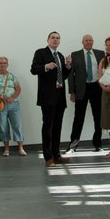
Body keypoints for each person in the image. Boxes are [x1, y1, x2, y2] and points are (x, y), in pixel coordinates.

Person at [31, 31, 72, 167]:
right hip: (47, 97)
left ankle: (56, 155)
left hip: (60, 96)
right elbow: (33, 69)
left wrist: (68, 66)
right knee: (48, 127)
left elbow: (63, 76)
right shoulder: (41, 53)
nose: (55, 40)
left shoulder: (60, 55)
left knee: (57, 127)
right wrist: (45, 67)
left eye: (58, 38)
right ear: (48, 40)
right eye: (53, 38)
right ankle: (48, 157)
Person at [65, 34, 105, 153]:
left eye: (90, 40)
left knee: (98, 117)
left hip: (97, 88)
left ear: (93, 42)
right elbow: (71, 75)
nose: (88, 42)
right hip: (81, 89)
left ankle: (98, 144)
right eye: (86, 40)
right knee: (78, 118)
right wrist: (72, 92)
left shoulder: (100, 54)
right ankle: (73, 145)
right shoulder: (75, 55)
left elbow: (105, 71)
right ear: (82, 42)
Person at [0, 56, 26, 156]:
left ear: (7, 64)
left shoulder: (12, 76)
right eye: (0, 63)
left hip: (14, 104)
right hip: (0, 104)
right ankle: (6, 149)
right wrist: (2, 97)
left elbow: (18, 89)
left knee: (17, 125)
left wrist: (12, 98)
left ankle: (21, 148)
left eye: (4, 63)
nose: (2, 65)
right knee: (3, 127)